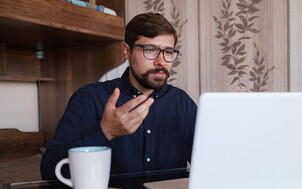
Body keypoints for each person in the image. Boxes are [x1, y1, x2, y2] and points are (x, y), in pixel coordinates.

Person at [40, 13, 197, 180]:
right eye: (150, 50)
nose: (161, 61)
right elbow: (50, 171)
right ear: (127, 52)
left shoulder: (183, 103)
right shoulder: (88, 98)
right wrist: (104, 132)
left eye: (168, 52)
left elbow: (210, 161)